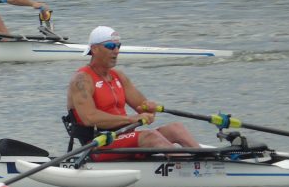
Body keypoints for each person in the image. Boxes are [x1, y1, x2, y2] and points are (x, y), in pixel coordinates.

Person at [65, 26, 199, 160]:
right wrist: (131, 119)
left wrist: (149, 108)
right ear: (94, 49)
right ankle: (190, 170)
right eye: (111, 46)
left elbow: (143, 108)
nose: (116, 51)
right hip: (98, 145)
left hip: (125, 140)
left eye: (118, 46)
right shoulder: (81, 80)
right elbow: (89, 117)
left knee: (176, 128)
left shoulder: (118, 76)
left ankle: (206, 163)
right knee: (150, 136)